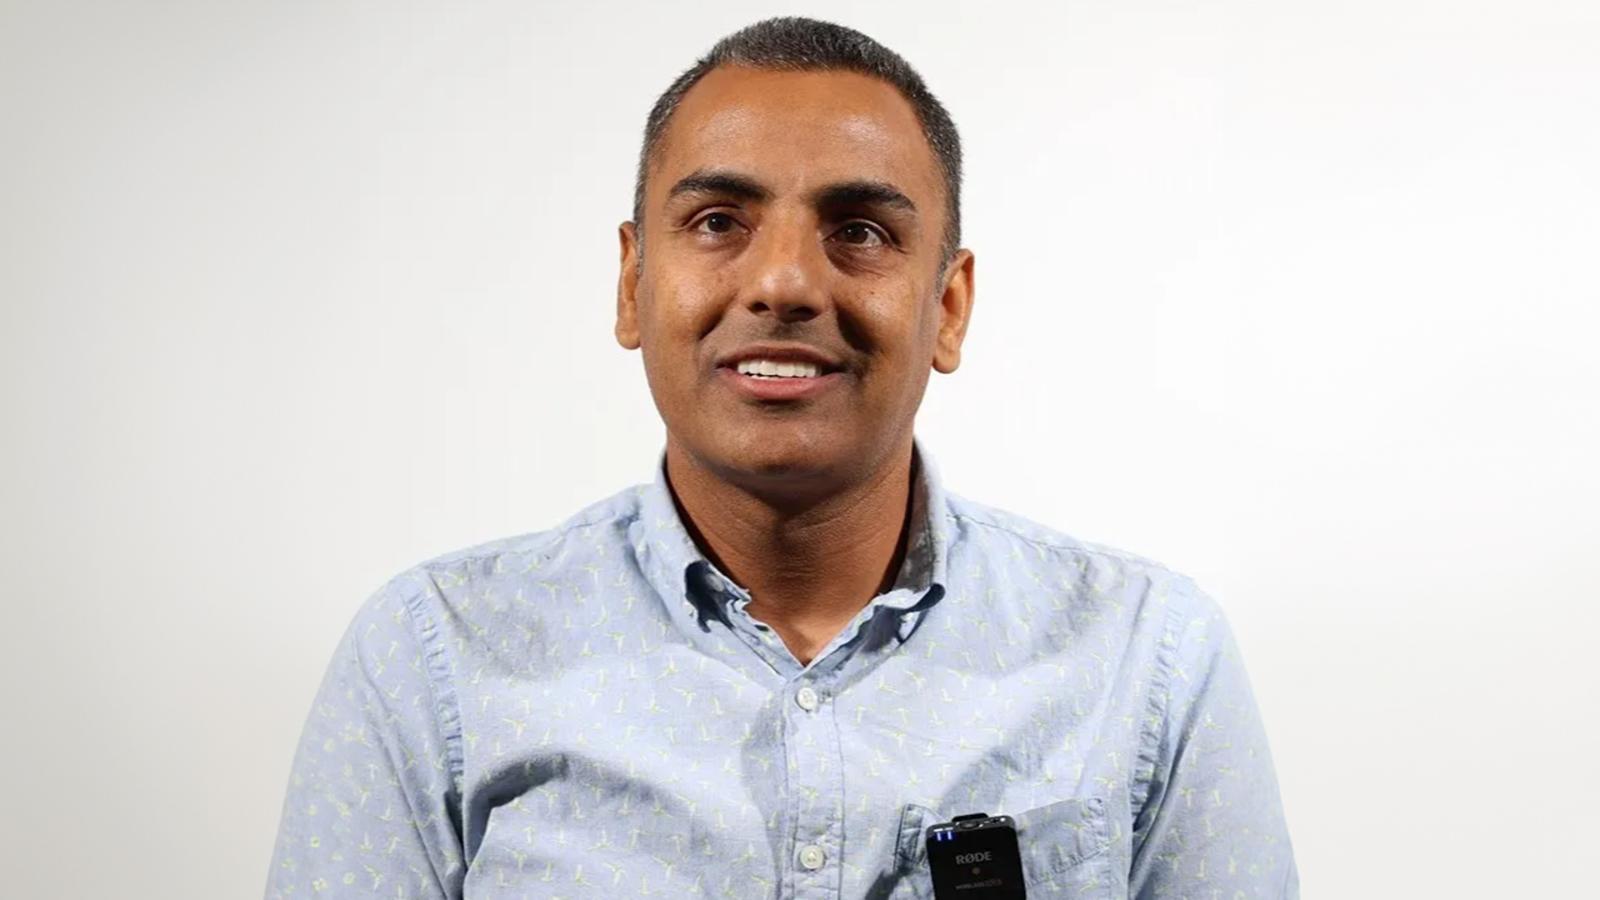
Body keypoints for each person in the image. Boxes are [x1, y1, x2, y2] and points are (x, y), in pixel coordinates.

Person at [265, 16, 1297, 899]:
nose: (785, 283)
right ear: (632, 285)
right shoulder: (434, 660)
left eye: (858, 230)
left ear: (947, 305)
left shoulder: (1147, 659)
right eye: (718, 222)